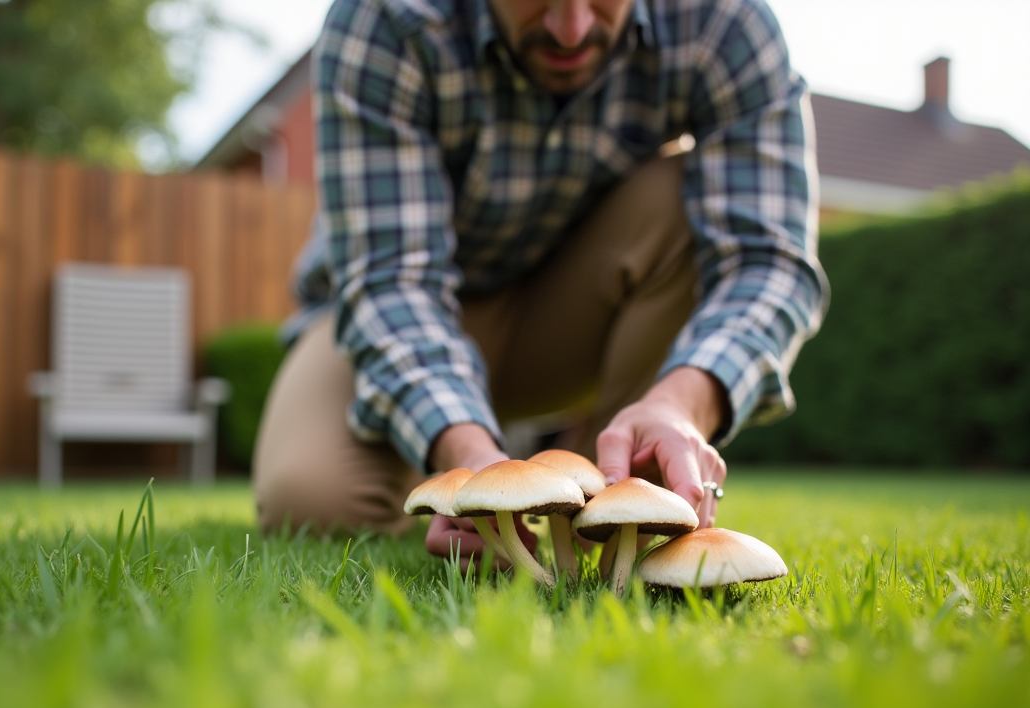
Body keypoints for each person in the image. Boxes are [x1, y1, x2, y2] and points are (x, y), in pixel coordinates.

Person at [253, 0, 828, 566]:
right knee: (311, 501)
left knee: (687, 196)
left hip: (565, 315)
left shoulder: (726, 20)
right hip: (392, 314)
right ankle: (453, 472)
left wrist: (683, 403)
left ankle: (601, 506)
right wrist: (469, 458)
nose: (571, 27)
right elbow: (390, 281)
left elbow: (769, 261)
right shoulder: (384, 16)